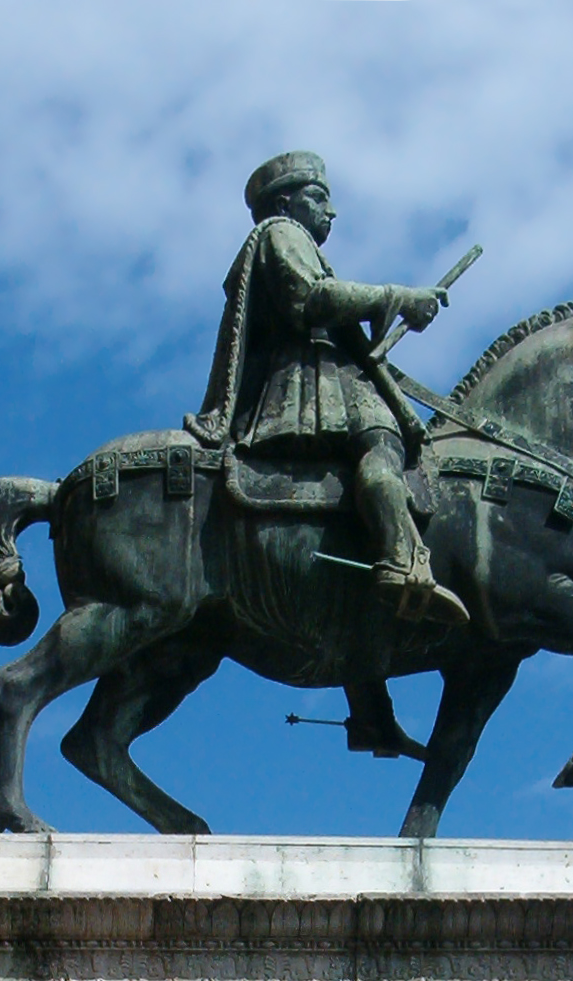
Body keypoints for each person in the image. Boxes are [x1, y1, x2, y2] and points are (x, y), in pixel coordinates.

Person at [185, 150, 469, 628]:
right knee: (381, 445)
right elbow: (312, 298)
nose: (330, 212)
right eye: (318, 198)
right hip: (309, 387)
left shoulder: (291, 237)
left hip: (322, 378)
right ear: (285, 203)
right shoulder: (280, 233)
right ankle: (401, 560)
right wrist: (398, 297)